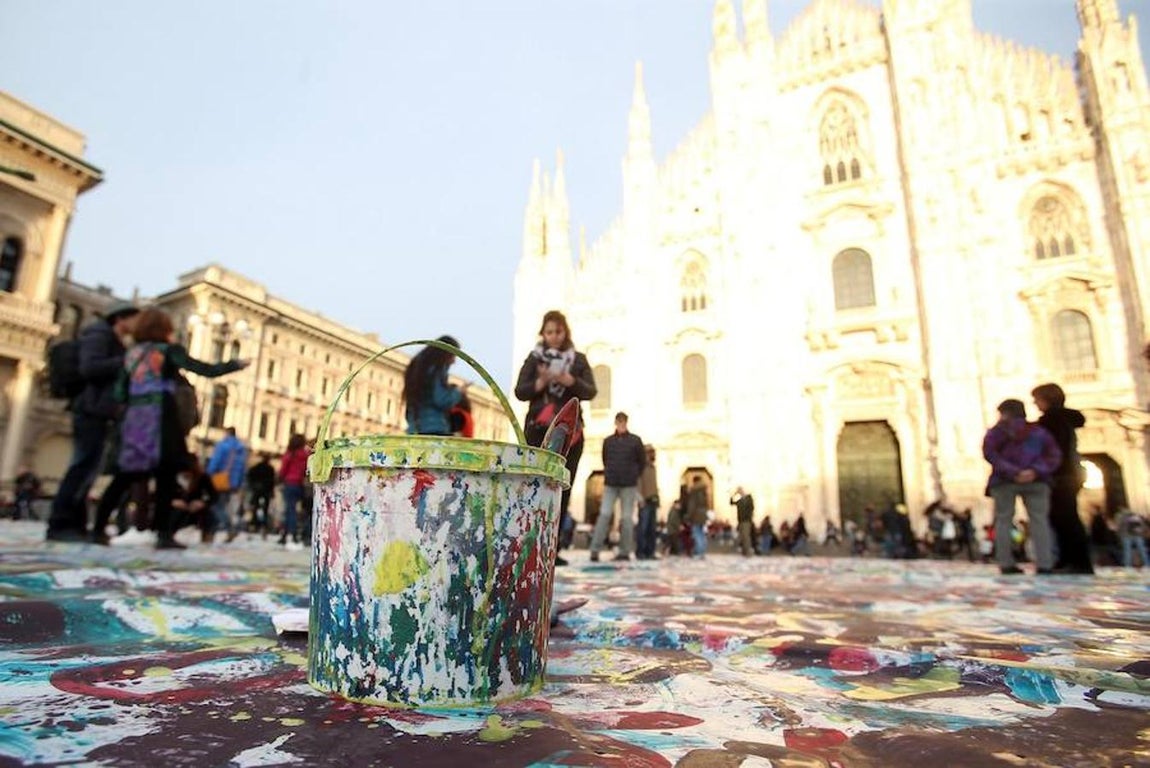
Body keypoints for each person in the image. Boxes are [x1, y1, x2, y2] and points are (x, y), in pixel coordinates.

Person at [90, 308, 248, 549]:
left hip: (135, 417)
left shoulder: (132, 353)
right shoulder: (168, 351)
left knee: (126, 475)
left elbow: (120, 391)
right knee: (166, 473)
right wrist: (236, 364)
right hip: (161, 416)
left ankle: (98, 528)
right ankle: (163, 534)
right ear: (165, 329)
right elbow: (205, 369)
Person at [47, 301, 139, 542]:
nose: (137, 325)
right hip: (90, 408)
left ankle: (76, 525)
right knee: (81, 466)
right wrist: (125, 362)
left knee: (89, 469)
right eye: (135, 319)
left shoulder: (115, 341)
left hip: (101, 410)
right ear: (121, 318)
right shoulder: (99, 335)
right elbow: (89, 368)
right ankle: (59, 524)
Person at [514, 310, 597, 566]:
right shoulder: (534, 358)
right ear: (543, 333)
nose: (554, 337)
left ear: (565, 332)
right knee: (532, 486)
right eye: (549, 332)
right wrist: (541, 381)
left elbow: (591, 390)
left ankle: (552, 547)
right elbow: (520, 391)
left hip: (569, 433)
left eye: (558, 332)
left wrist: (568, 379)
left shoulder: (578, 360)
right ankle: (528, 544)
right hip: (538, 429)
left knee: (562, 489)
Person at [982, 398, 1061, 575]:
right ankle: (1045, 564)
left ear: (1003, 413)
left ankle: (1006, 563)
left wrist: (1013, 471)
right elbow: (1053, 455)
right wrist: (1034, 471)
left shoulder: (996, 433)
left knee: (1003, 520)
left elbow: (990, 454)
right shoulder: (1039, 432)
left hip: (1004, 481)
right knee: (1039, 521)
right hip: (1037, 481)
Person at [1031, 383, 1094, 575]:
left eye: (1037, 399)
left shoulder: (1052, 422)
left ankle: (1078, 562)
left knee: (1066, 518)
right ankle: (1069, 559)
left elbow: (1052, 452)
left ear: (1046, 399)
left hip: (1061, 475)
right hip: (1070, 473)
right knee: (1062, 518)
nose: (1034, 403)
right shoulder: (1063, 420)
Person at [589, 412, 646, 562]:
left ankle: (625, 551)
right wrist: (610, 471)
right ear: (615, 423)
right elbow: (605, 459)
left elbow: (642, 462)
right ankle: (595, 550)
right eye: (619, 422)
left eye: (623, 422)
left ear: (626, 422)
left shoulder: (635, 441)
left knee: (627, 518)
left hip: (629, 484)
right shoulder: (608, 441)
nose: (621, 424)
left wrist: (633, 474)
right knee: (605, 514)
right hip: (611, 482)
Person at [403, 335, 466, 436]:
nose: (454, 362)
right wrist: (458, 392)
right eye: (454, 356)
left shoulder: (416, 368)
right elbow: (441, 400)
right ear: (446, 354)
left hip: (415, 428)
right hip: (434, 427)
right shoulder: (437, 369)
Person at [205, 427, 248, 543]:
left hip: (220, 480)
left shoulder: (223, 445)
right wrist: (239, 483)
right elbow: (243, 469)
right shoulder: (241, 449)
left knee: (216, 506)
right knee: (223, 506)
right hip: (233, 483)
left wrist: (208, 474)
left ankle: (229, 528)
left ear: (227, 433)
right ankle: (211, 533)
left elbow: (215, 461)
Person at [170, 454, 218, 539]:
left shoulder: (203, 477)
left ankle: (207, 535)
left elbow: (214, 495)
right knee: (173, 514)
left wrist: (202, 503)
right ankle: (168, 535)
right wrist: (173, 501)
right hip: (175, 508)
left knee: (210, 514)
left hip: (194, 507)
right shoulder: (171, 477)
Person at [278, 433, 311, 548]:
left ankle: (289, 533)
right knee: (298, 511)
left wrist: (280, 479)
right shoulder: (306, 455)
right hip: (301, 484)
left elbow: (283, 469)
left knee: (289, 510)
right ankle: (291, 533)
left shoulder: (290, 454)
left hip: (290, 483)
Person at [635, 445, 660, 559]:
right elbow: (638, 483)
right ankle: (640, 552)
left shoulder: (652, 467)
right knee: (643, 528)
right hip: (644, 500)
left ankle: (650, 552)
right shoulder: (641, 467)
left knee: (652, 528)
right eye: (651, 452)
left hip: (653, 500)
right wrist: (640, 498)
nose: (653, 454)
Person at [246, 453, 276, 537]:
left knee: (255, 508)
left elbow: (249, 476)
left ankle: (254, 525)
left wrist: (253, 485)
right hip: (266, 491)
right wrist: (271, 492)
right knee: (265, 509)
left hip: (257, 490)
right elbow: (272, 482)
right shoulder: (270, 469)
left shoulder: (256, 467)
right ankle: (263, 526)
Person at [685, 476, 709, 558]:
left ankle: (698, 552)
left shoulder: (694, 490)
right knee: (701, 533)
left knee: (696, 533)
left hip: (696, 514)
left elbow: (692, 504)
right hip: (703, 513)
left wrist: (688, 516)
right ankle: (702, 552)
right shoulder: (704, 490)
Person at [731, 486, 756, 557]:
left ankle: (748, 552)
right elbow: (731, 503)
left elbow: (751, 508)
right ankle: (744, 551)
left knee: (746, 536)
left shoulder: (748, 499)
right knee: (742, 536)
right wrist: (733, 495)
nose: (740, 492)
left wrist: (749, 517)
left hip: (746, 520)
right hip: (740, 521)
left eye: (740, 490)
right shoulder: (740, 501)